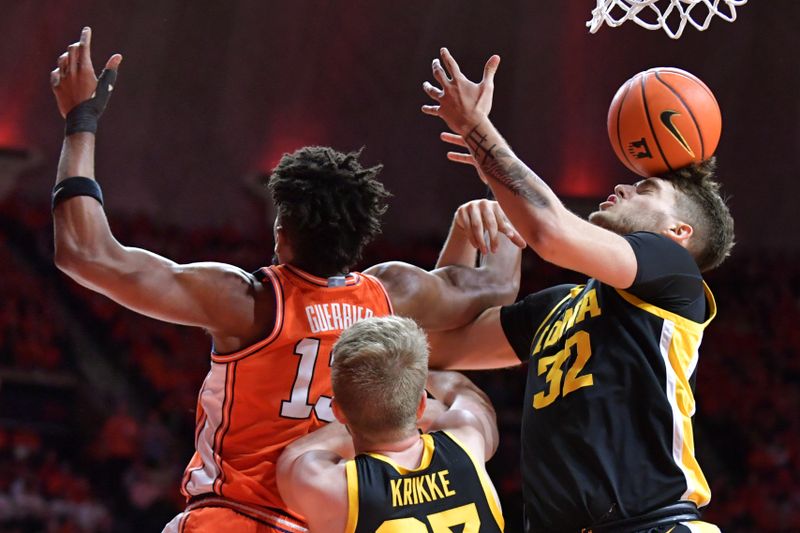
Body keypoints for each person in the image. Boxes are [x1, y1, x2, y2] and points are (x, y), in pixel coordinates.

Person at [49, 29, 524, 533]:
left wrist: (81, 120)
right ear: (362, 236)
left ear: (280, 233)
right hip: (331, 516)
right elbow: (493, 289)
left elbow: (86, 253)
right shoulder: (393, 294)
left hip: (231, 517)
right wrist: (487, 207)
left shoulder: (247, 304)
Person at [421, 48, 735, 533]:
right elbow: (435, 347)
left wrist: (476, 129)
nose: (625, 188)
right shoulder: (559, 307)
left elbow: (550, 233)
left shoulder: (673, 275)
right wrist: (470, 237)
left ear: (678, 233)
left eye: (645, 191)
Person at [276, 315, 505, 533]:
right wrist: (412, 382)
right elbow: (464, 391)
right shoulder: (468, 437)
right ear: (421, 404)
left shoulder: (328, 484)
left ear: (338, 412)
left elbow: (293, 454)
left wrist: (359, 411)